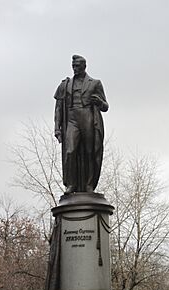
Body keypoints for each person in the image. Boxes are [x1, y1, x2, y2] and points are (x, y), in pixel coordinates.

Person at [54, 54, 109, 194]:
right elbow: (59, 107)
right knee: (70, 151)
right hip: (72, 119)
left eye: (77, 66)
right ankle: (71, 184)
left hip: (88, 118)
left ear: (84, 66)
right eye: (73, 66)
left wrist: (99, 102)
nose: (75, 69)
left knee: (90, 152)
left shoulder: (95, 83)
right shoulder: (65, 84)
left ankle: (89, 185)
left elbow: (105, 106)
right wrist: (57, 128)